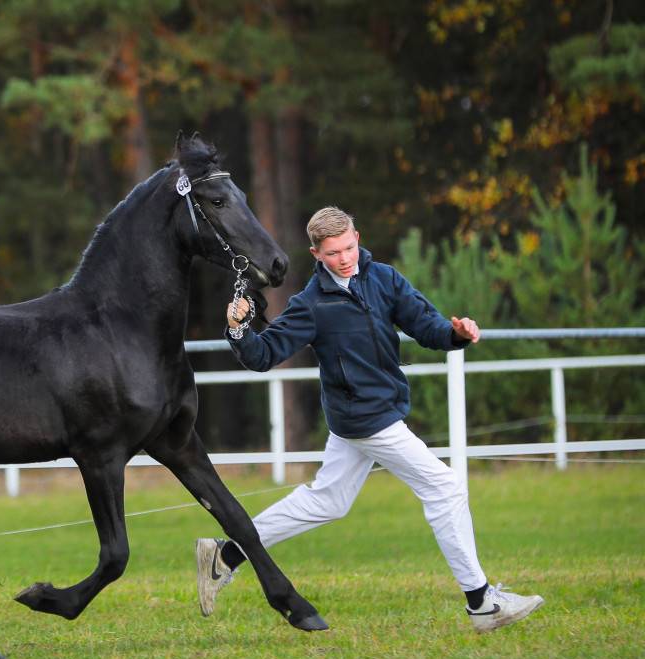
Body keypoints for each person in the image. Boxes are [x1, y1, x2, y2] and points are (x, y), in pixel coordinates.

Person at [196, 206, 543, 632]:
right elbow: (262, 355)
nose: (345, 258)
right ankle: (481, 604)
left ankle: (225, 555)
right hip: (366, 420)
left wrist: (457, 333)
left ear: (357, 237)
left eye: (348, 247)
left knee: (328, 502)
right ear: (316, 254)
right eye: (333, 253)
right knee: (445, 486)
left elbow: (427, 326)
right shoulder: (311, 305)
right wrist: (237, 330)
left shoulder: (384, 279)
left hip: (370, 416)